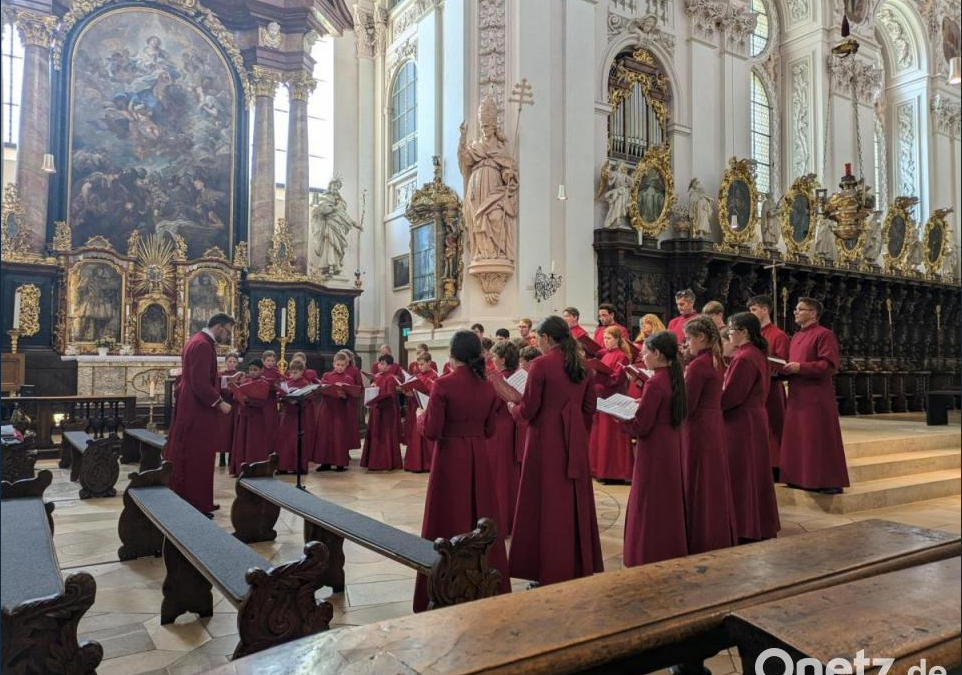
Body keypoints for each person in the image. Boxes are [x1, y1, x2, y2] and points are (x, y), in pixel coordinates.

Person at [413, 330, 511, 612]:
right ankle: (487, 581)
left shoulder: (443, 385)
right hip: (479, 457)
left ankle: (445, 587)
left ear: (453, 354)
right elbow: (490, 431)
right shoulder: (487, 386)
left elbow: (432, 431)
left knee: (448, 519)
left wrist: (420, 417)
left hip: (450, 459)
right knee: (481, 514)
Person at [509, 316, 604, 587]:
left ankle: (547, 571)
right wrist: (576, 433)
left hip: (544, 442)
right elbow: (589, 408)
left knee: (545, 505)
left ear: (548, 338)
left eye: (538, 337)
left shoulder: (541, 365)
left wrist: (512, 409)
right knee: (572, 503)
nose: (537, 342)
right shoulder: (583, 366)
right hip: (573, 442)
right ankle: (577, 565)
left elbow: (529, 409)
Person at [619, 330, 688, 565]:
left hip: (654, 448)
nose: (643, 356)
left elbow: (641, 425)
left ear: (658, 353)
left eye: (645, 352)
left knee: (649, 498)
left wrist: (619, 417)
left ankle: (647, 551)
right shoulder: (671, 375)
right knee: (666, 498)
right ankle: (669, 547)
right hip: (669, 442)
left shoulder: (656, 382)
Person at [164, 313, 234, 516]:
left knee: (197, 454)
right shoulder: (203, 345)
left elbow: (201, 376)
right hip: (197, 409)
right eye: (228, 331)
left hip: (193, 405)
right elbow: (200, 383)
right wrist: (220, 402)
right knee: (197, 455)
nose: (228, 336)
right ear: (219, 327)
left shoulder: (196, 340)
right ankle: (195, 503)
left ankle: (200, 500)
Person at [780, 298, 850, 494]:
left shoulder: (824, 334)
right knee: (799, 437)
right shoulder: (795, 337)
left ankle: (826, 480)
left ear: (813, 313)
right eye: (796, 309)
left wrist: (800, 367)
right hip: (797, 394)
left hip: (816, 396)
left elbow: (828, 365)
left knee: (818, 438)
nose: (795, 312)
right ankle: (799, 477)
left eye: (800, 309)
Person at [721, 312, 781, 542]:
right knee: (753, 472)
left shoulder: (744, 357)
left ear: (744, 332)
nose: (728, 334)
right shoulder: (754, 354)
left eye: (731, 330)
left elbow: (732, 396)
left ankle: (745, 525)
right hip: (752, 418)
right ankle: (756, 523)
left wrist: (709, 403)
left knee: (742, 472)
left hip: (741, 421)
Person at [681, 317, 738, 553]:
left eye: (688, 338)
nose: (686, 344)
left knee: (699, 479)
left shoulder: (698, 365)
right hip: (712, 424)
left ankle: (700, 534)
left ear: (701, 338)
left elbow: (688, 404)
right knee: (711, 479)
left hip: (698, 428)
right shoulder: (715, 359)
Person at [748, 294, 790, 479]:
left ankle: (777, 464)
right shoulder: (752, 334)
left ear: (765, 309)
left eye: (754, 309)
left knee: (774, 426)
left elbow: (782, 361)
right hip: (754, 387)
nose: (752, 313)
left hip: (772, 387)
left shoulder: (778, 334)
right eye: (750, 310)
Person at [588, 326, 633, 484]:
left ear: (617, 339)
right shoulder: (605, 355)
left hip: (614, 398)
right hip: (601, 397)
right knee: (601, 436)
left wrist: (599, 375)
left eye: (608, 338)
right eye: (604, 338)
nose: (605, 341)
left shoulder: (622, 356)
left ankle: (617, 472)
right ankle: (600, 470)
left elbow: (617, 379)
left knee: (612, 436)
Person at [488, 340, 522, 536]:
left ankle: (500, 522)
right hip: (511, 427)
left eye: (494, 357)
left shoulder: (499, 378)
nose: (492, 360)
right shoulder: (513, 376)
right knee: (508, 475)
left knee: (500, 477)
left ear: (502, 359)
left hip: (499, 429)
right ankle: (510, 519)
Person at [229, 358, 273, 477]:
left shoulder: (264, 384)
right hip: (244, 416)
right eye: (251, 370)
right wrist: (238, 395)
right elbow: (236, 395)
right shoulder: (245, 381)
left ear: (262, 370)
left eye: (255, 370)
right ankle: (240, 468)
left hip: (256, 418)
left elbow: (262, 402)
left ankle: (254, 467)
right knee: (242, 440)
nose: (253, 372)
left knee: (254, 442)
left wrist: (249, 400)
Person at [360, 354, 403, 471]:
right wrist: (372, 389)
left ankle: (386, 462)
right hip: (377, 409)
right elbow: (374, 389)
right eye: (379, 363)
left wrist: (377, 395)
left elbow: (390, 395)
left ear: (389, 366)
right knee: (375, 434)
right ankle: (375, 461)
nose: (380, 366)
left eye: (383, 364)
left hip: (386, 410)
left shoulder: (390, 378)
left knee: (386, 435)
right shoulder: (377, 376)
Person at [314, 352, 355, 472]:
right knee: (325, 436)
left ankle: (340, 463)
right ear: (333, 364)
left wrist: (344, 396)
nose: (340, 367)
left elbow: (352, 394)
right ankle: (325, 462)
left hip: (340, 410)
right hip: (326, 409)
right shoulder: (327, 376)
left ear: (346, 366)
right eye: (338, 364)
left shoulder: (348, 378)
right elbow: (321, 389)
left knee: (339, 436)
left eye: (342, 365)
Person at [275, 360, 313, 475]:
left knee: (297, 441)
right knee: (284, 440)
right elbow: (280, 394)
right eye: (291, 372)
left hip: (299, 415)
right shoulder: (287, 382)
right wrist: (282, 398)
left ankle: (299, 466)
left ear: (302, 372)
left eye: (295, 372)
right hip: (287, 415)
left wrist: (297, 401)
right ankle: (283, 466)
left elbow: (309, 399)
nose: (292, 375)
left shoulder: (305, 383)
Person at [403, 353, 438, 473]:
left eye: (422, 364)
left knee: (426, 436)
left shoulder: (434, 377)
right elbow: (413, 391)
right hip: (417, 409)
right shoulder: (416, 376)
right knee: (416, 436)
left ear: (429, 363)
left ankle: (428, 464)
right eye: (418, 364)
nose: (420, 367)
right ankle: (415, 464)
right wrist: (410, 394)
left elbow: (435, 394)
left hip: (428, 409)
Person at [217, 352, 241, 468]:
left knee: (234, 430)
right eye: (230, 361)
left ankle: (232, 456)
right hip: (224, 406)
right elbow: (217, 389)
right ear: (226, 362)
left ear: (237, 363)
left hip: (235, 405)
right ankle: (222, 456)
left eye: (234, 362)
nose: (232, 364)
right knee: (223, 431)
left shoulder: (240, 375)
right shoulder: (220, 375)